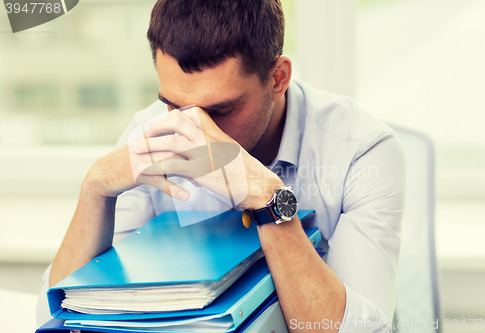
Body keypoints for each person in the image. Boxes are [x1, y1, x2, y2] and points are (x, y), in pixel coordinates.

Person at [37, 0, 406, 331]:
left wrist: (267, 198)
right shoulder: (149, 137)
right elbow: (52, 316)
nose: (195, 131)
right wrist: (95, 188)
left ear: (277, 78)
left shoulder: (362, 150)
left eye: (220, 110)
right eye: (173, 105)